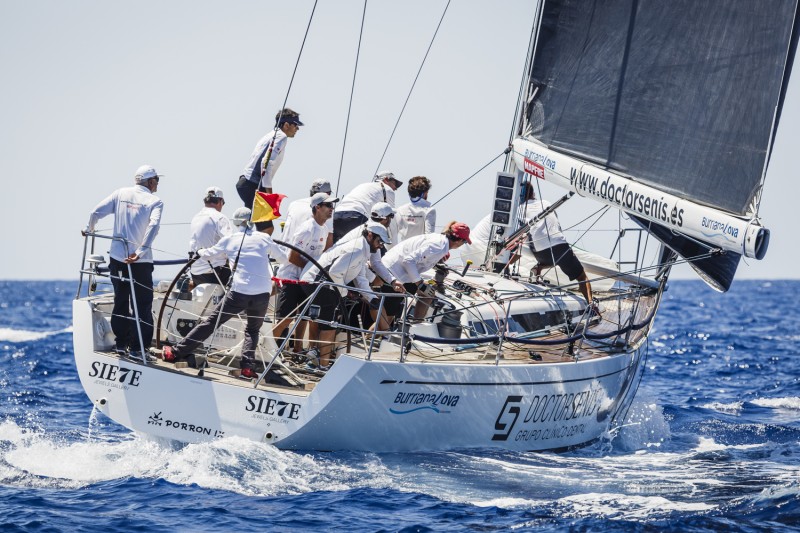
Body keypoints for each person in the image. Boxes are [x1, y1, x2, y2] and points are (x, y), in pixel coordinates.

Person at [162, 207, 290, 379]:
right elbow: (284, 259)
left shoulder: (230, 240)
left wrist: (198, 252)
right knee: (252, 331)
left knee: (211, 323)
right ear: (252, 221)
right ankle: (247, 367)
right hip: (262, 294)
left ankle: (176, 352)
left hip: (239, 293)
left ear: (235, 223)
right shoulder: (264, 238)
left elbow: (208, 254)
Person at [84, 165, 164, 358]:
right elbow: (154, 225)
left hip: (117, 259)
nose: (158, 185)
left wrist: (90, 229)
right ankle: (138, 349)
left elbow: (95, 212)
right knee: (143, 305)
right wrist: (141, 251)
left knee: (121, 300)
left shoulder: (120, 193)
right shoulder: (155, 201)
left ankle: (121, 345)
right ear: (151, 181)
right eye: (157, 181)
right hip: (140, 262)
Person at [300, 221, 391, 369]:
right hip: (317, 283)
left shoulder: (363, 250)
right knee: (329, 325)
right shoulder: (356, 250)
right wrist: (345, 293)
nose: (381, 245)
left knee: (327, 322)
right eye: (380, 241)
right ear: (369, 235)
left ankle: (315, 359)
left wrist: (371, 298)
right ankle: (322, 366)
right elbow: (334, 272)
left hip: (324, 284)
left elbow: (360, 277)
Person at [272, 192, 337, 351]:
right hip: (291, 278)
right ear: (317, 207)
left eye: (332, 205)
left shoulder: (324, 228)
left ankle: (297, 349)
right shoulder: (307, 228)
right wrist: (311, 270)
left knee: (304, 317)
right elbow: (292, 256)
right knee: (286, 319)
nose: (332, 209)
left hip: (305, 279)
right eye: (328, 205)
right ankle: (266, 347)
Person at [519, 183, 597, 311]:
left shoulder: (520, 209)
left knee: (548, 256)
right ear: (533, 194)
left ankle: (537, 269)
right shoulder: (546, 203)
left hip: (540, 252)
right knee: (582, 277)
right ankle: (591, 304)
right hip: (560, 246)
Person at [336, 202, 405, 329]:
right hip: (343, 270)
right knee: (374, 294)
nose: (391, 220)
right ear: (385, 218)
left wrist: (393, 281)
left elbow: (376, 262)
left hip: (352, 269)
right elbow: (361, 262)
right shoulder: (370, 233)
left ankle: (381, 333)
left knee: (375, 293)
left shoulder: (375, 233)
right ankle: (384, 333)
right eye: (391, 217)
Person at [383, 221, 471, 320]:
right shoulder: (439, 247)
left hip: (397, 270)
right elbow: (408, 261)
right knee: (387, 319)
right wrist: (420, 283)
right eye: (465, 242)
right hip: (392, 273)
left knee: (428, 293)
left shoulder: (439, 239)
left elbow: (421, 258)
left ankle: (416, 323)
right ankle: (412, 325)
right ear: (459, 241)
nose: (463, 244)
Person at [235, 107, 303, 233]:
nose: (297, 128)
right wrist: (269, 195)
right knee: (267, 228)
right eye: (296, 125)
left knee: (249, 227)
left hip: (246, 183)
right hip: (253, 185)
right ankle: (256, 250)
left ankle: (245, 247)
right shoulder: (281, 137)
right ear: (286, 124)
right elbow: (266, 164)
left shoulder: (269, 135)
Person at [332, 170, 402, 242]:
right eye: (395, 183)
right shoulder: (387, 189)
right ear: (386, 179)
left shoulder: (363, 185)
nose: (396, 188)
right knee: (370, 248)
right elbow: (391, 220)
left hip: (335, 217)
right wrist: (392, 246)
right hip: (355, 217)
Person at [189, 186, 233, 286]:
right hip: (214, 272)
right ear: (220, 201)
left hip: (195, 272)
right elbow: (232, 243)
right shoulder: (220, 217)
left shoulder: (196, 217)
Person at [280, 178, 334, 249]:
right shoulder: (324, 211)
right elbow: (329, 244)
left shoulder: (293, 204)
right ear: (327, 194)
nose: (331, 208)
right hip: (297, 257)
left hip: (280, 252)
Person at [391, 176, 436, 246]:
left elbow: (392, 234)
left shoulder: (400, 209)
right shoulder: (430, 210)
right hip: (420, 253)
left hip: (402, 251)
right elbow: (429, 237)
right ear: (425, 193)